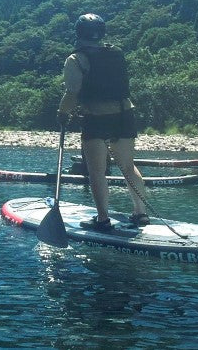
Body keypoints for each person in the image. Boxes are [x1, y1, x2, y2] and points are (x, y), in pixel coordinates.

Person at [56, 13, 148, 232]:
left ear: (79, 33)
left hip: (96, 118)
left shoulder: (76, 59)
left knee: (96, 171)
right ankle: (141, 213)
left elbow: (72, 92)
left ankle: (103, 219)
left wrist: (62, 113)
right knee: (128, 166)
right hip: (125, 113)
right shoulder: (116, 52)